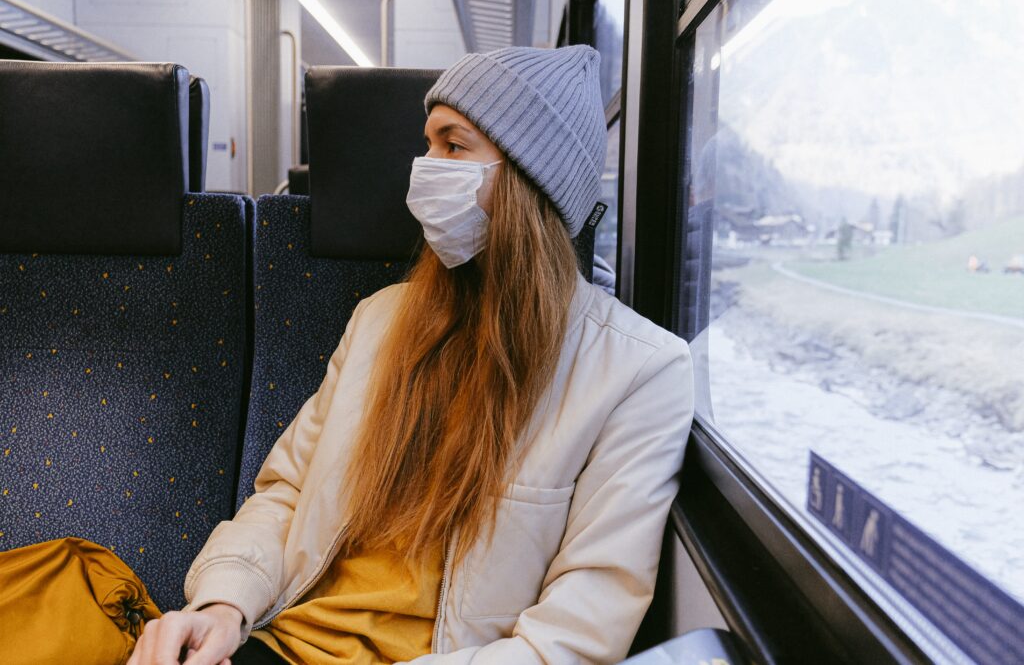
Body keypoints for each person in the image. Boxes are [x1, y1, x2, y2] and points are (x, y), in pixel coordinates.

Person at [128, 44, 694, 665]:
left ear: (532, 183)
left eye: (454, 146)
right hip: (284, 639)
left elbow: (575, 632)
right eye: (427, 145)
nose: (425, 169)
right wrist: (222, 605)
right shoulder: (381, 319)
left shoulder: (641, 372)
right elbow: (286, 494)